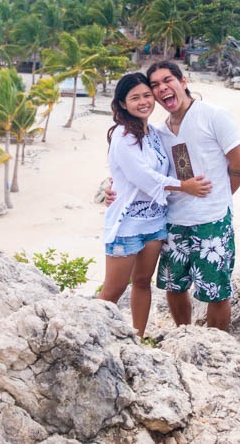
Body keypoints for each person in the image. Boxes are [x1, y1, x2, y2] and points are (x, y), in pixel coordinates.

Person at [98, 72, 212, 338]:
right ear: (123, 104)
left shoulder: (155, 133)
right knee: (112, 291)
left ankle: (137, 338)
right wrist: (185, 186)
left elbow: (176, 161)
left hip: (155, 222)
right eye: (135, 98)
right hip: (127, 224)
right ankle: (94, 338)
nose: (143, 102)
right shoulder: (123, 135)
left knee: (141, 283)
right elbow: (143, 176)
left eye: (147, 95)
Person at [146, 61, 240, 331]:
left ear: (183, 81)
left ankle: (216, 345)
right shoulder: (160, 132)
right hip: (174, 220)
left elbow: (239, 164)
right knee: (174, 286)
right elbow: (146, 171)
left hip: (212, 220)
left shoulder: (214, 115)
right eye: (155, 85)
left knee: (216, 291)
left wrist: (221, 197)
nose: (162, 88)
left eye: (168, 80)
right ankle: (186, 335)